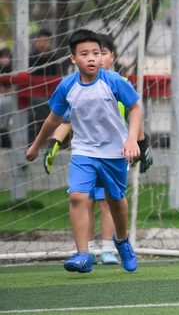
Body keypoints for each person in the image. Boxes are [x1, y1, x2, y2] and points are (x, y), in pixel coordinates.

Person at [25, 29, 141, 273]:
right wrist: (37, 146)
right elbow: (53, 120)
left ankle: (121, 240)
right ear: (73, 59)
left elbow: (135, 108)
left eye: (96, 53)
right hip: (83, 151)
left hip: (114, 152)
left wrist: (132, 140)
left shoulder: (114, 80)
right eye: (85, 53)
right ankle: (82, 254)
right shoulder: (67, 86)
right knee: (78, 196)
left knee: (115, 200)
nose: (91, 58)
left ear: (102, 58)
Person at [28, 29, 63, 141]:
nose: (42, 43)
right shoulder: (31, 59)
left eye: (45, 41)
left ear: (50, 43)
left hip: (52, 94)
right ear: (36, 42)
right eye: (40, 40)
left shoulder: (55, 59)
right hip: (35, 95)